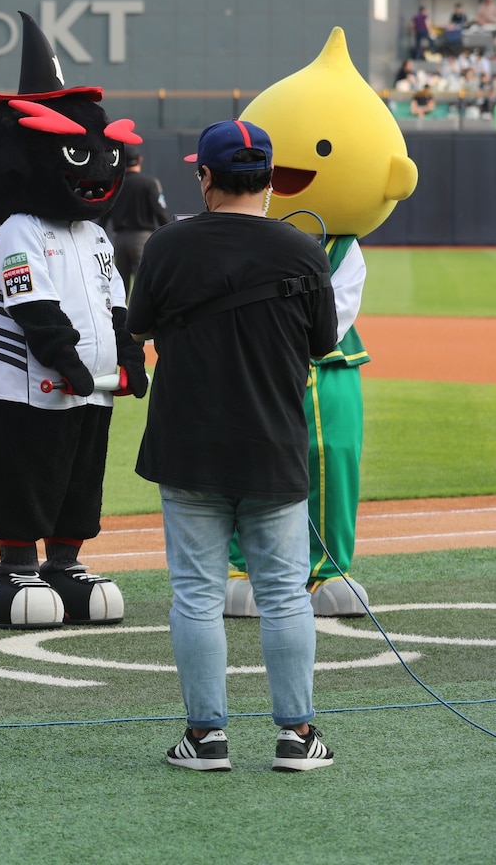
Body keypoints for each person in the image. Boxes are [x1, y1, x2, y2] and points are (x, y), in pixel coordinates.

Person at [126, 119, 338, 773]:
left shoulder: (166, 246)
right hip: (272, 444)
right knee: (283, 595)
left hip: (188, 445)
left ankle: (205, 737)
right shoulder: (304, 251)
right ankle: (297, 737)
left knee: (195, 593)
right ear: (270, 180)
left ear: (205, 177)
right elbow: (322, 344)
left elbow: (139, 328)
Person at [105, 144, 169, 297]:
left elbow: (104, 214)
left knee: (120, 285)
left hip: (119, 239)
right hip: (142, 238)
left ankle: (120, 317)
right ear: (140, 160)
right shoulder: (149, 182)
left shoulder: (115, 183)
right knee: (146, 282)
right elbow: (159, 211)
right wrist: (167, 232)